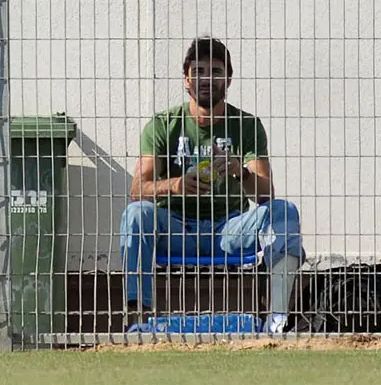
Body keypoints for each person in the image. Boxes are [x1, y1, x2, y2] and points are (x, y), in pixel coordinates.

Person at [121, 37, 303, 333]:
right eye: (199, 71)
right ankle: (138, 319)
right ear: (186, 78)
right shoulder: (163, 124)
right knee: (136, 214)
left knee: (284, 212)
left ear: (228, 79)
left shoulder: (245, 125)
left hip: (229, 229)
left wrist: (239, 172)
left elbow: (266, 194)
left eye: (216, 72)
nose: (207, 79)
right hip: (176, 228)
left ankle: (277, 320)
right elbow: (137, 189)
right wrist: (177, 185)